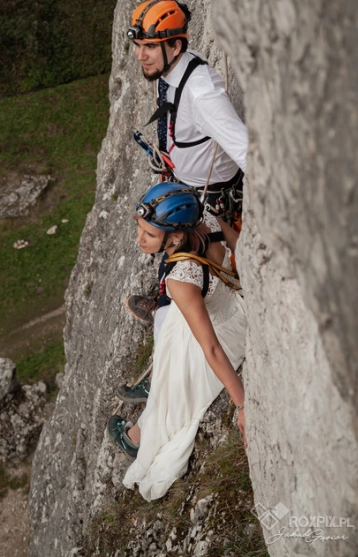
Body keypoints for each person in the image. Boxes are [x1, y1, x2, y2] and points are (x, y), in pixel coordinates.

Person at [107, 183, 247, 501]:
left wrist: (242, 404)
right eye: (141, 230)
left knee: (173, 370)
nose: (139, 240)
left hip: (225, 331)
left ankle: (136, 438)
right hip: (236, 304)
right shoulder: (208, 219)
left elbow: (211, 348)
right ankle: (141, 424)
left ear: (175, 238)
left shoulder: (180, 276)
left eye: (149, 234)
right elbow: (242, 247)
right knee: (169, 331)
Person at [124, 0, 248, 334]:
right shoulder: (173, 70)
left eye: (149, 46)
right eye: (138, 45)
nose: (140, 55)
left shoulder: (201, 93)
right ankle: (167, 306)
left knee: (181, 264)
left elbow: (245, 149)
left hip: (211, 197)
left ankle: (171, 324)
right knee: (166, 246)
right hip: (186, 183)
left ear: (176, 44)